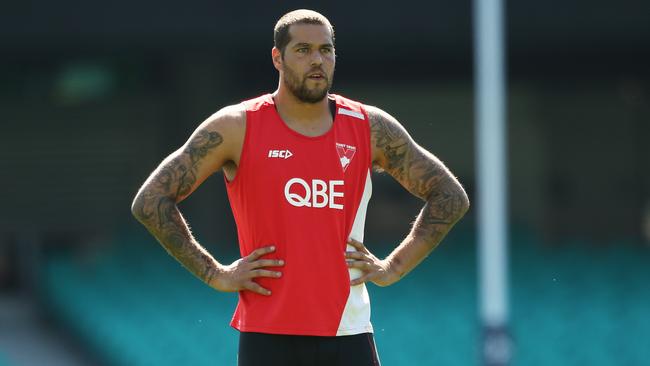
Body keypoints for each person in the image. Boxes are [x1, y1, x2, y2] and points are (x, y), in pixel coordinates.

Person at [131, 9, 469, 366]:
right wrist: (215, 273)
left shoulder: (369, 128)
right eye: (303, 50)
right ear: (277, 58)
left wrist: (393, 267)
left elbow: (450, 196)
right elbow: (151, 201)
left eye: (326, 50)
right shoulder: (237, 126)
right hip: (267, 336)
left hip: (348, 332)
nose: (317, 60)